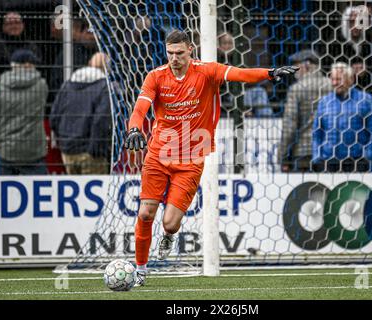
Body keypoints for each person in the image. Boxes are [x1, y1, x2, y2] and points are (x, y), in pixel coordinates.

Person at [124, 29, 299, 285]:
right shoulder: (156, 77)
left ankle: (169, 235)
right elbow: (141, 107)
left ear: (190, 49)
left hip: (192, 158)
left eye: (180, 53)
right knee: (145, 213)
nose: (174, 58)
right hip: (159, 154)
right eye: (170, 53)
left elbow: (240, 74)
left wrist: (269, 73)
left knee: (170, 224)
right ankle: (140, 269)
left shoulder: (207, 71)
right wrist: (134, 129)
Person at [312, 62, 372, 173]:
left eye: (339, 79)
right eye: (333, 79)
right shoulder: (324, 102)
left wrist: (366, 158)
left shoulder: (365, 100)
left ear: (351, 79)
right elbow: (317, 134)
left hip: (356, 162)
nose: (335, 83)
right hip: (329, 162)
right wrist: (317, 158)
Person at [50, 52, 112, 174]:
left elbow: (54, 117)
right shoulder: (104, 87)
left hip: (68, 151)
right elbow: (101, 120)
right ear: (107, 69)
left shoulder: (68, 84)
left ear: (89, 63)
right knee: (95, 191)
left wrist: (64, 141)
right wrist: (96, 149)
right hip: (91, 153)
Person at [0, 49, 48, 175]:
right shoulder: (41, 85)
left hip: (6, 148)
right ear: (28, 65)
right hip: (33, 150)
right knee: (38, 191)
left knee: (3, 192)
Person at [278, 50, 333, 172]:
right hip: (329, 149)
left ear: (307, 65)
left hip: (304, 150)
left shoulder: (297, 89)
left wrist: (282, 155)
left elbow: (290, 125)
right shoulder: (332, 86)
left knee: (304, 189)